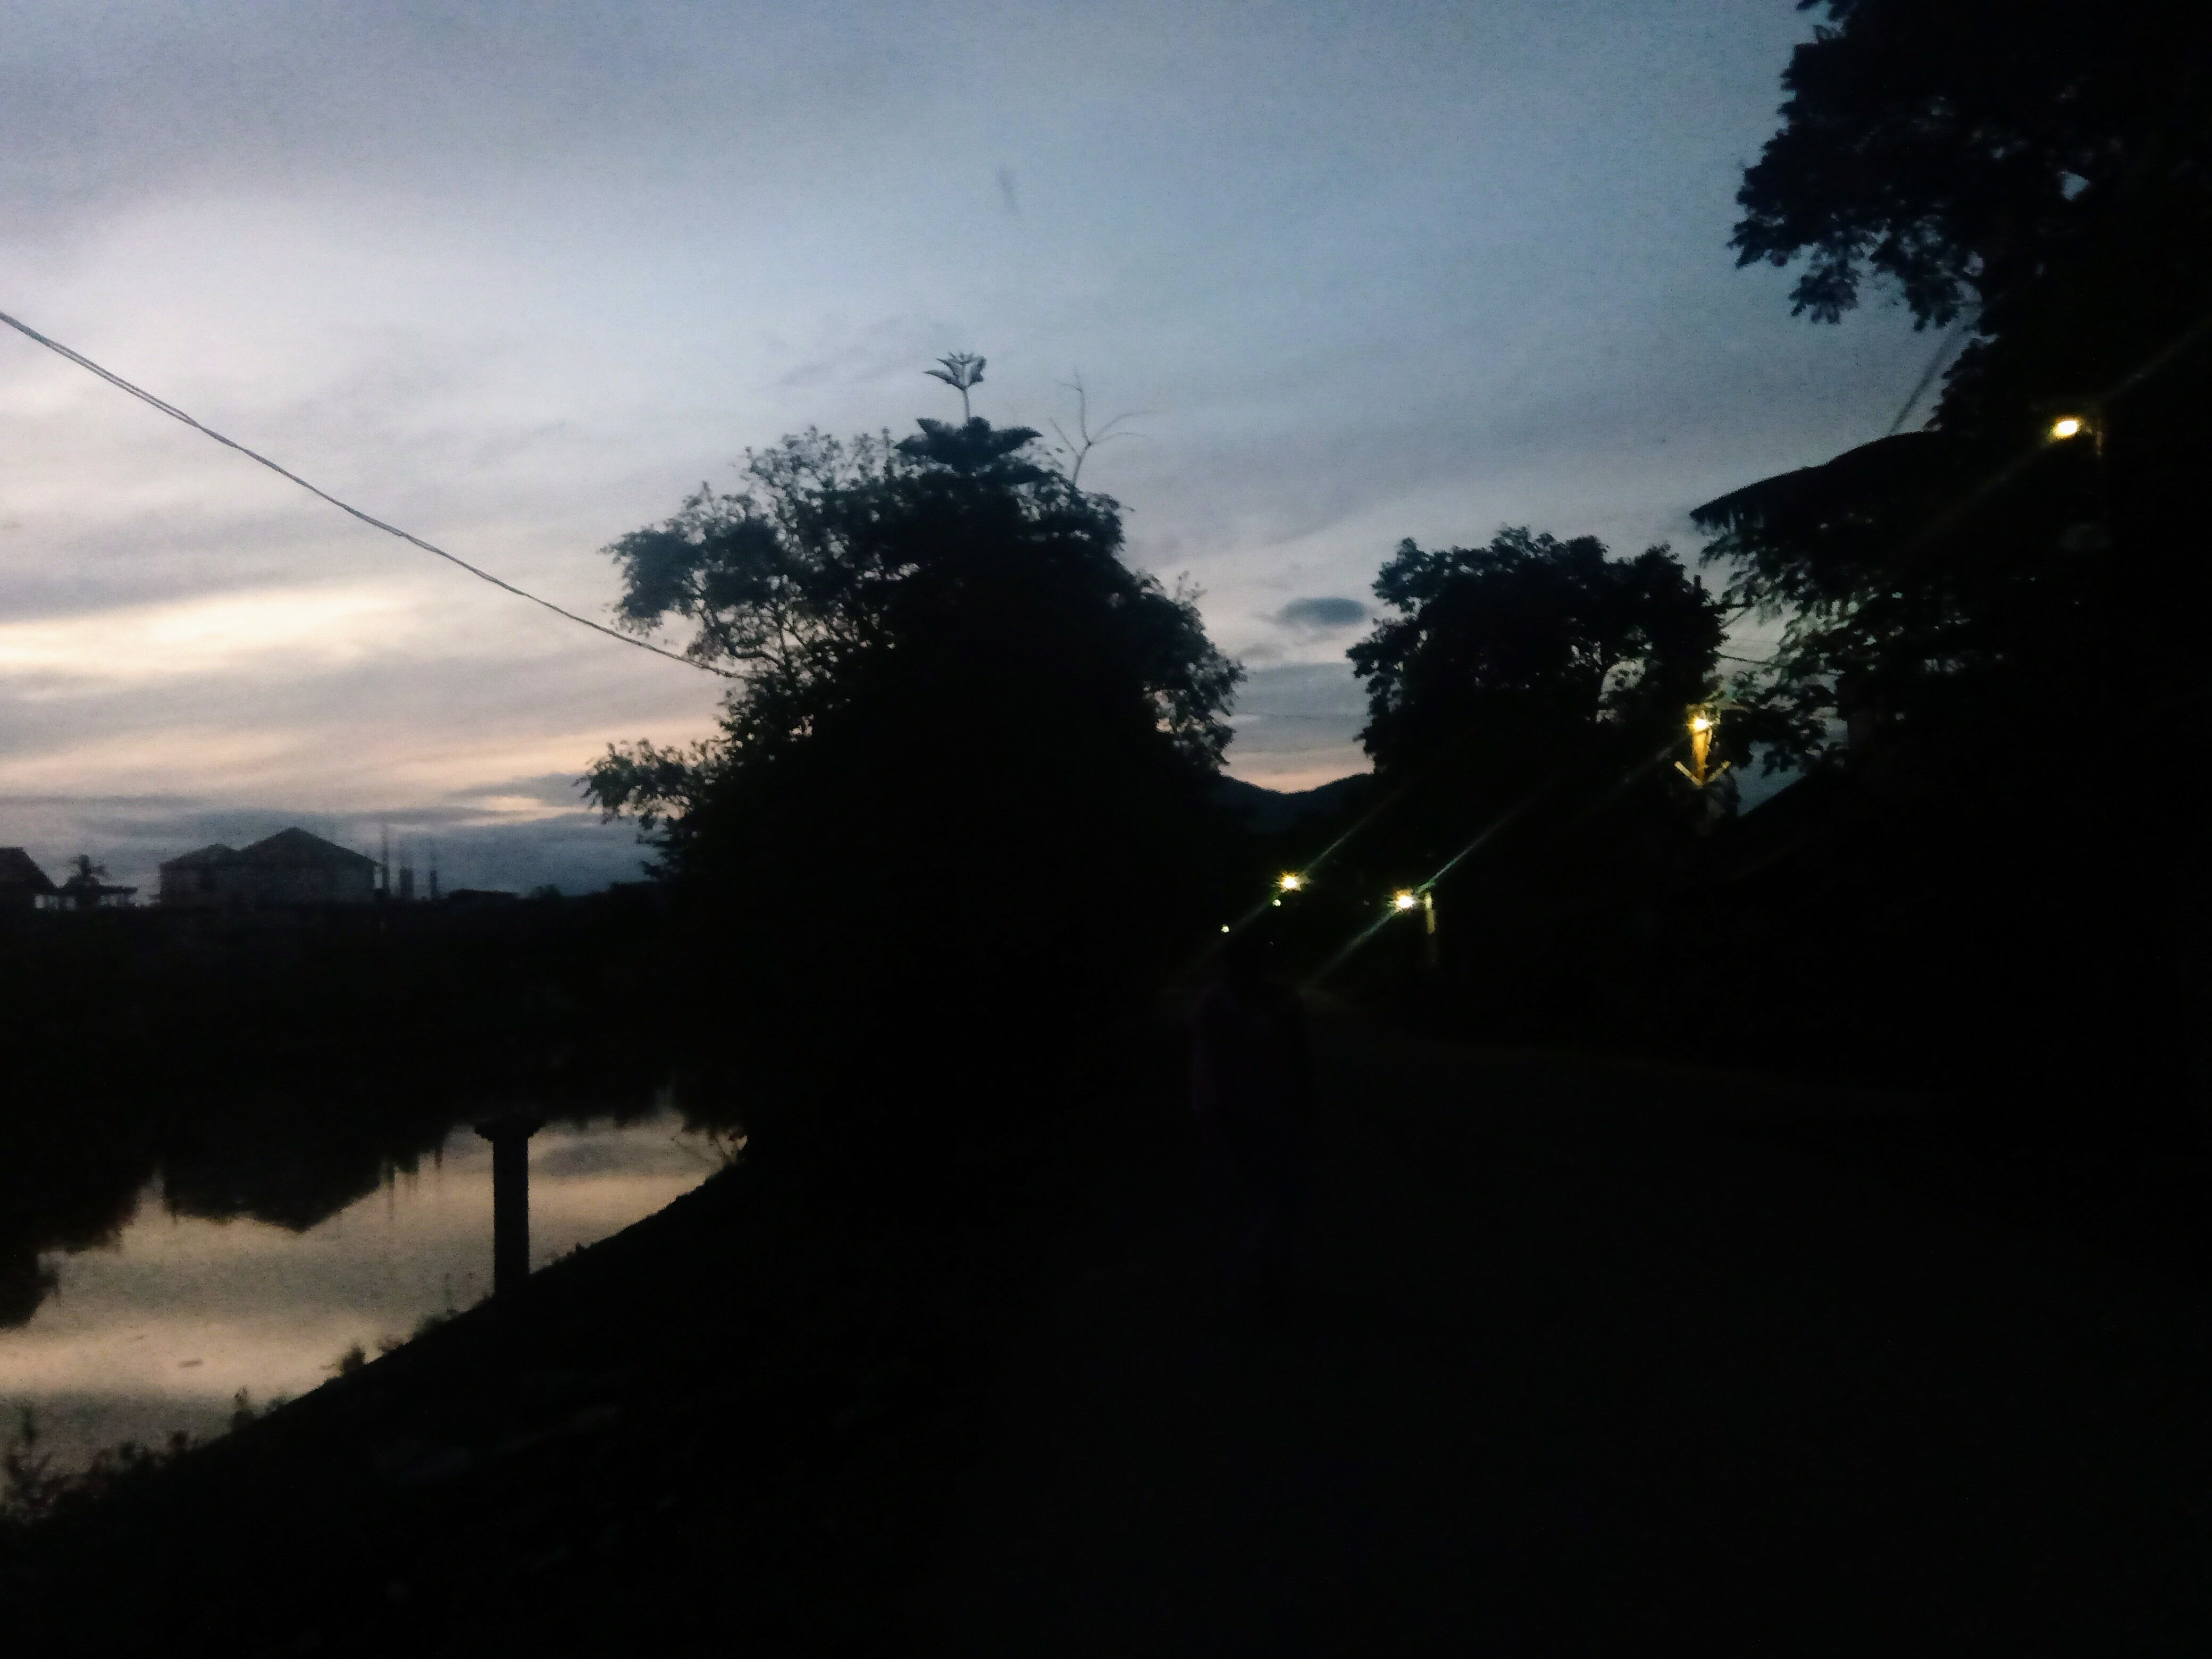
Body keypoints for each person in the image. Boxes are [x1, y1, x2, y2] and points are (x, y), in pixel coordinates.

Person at [1189, 923, 1316, 1296]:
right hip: (1252, 1106)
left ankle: (1261, 1266)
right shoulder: (1228, 1003)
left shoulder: (1223, 1002)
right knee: (1264, 1188)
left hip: (1257, 1105)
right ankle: (1264, 1266)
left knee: (1259, 1189)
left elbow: (1297, 1054)